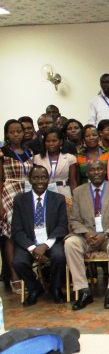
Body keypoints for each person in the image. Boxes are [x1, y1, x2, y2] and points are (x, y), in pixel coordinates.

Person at [65, 160, 109, 310]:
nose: (96, 172)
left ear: (105, 171)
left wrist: (106, 234)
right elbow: (74, 219)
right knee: (70, 243)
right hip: (86, 236)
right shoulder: (78, 192)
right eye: (92, 170)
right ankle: (84, 291)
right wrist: (87, 233)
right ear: (87, 173)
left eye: (99, 169)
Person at [12, 165, 67, 306]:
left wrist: (45, 245)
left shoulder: (59, 199)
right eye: (36, 178)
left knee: (59, 256)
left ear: (48, 180)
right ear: (30, 180)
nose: (40, 181)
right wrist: (32, 248)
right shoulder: (20, 200)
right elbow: (17, 230)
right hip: (29, 241)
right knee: (18, 261)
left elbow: (62, 226)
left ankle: (55, 288)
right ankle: (35, 288)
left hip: (51, 240)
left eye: (43, 177)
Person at [1, 120, 34, 293]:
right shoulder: (2, 153)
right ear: (7, 134)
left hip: (27, 191)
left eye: (19, 131)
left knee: (27, 231)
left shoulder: (29, 151)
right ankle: (14, 276)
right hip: (9, 191)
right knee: (11, 234)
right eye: (12, 132)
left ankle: (27, 274)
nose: (16, 134)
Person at [33, 127, 79, 198]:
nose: (51, 143)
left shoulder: (70, 158)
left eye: (54, 141)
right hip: (44, 192)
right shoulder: (37, 158)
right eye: (48, 141)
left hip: (64, 192)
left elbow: (73, 182)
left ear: (60, 142)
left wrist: (75, 198)